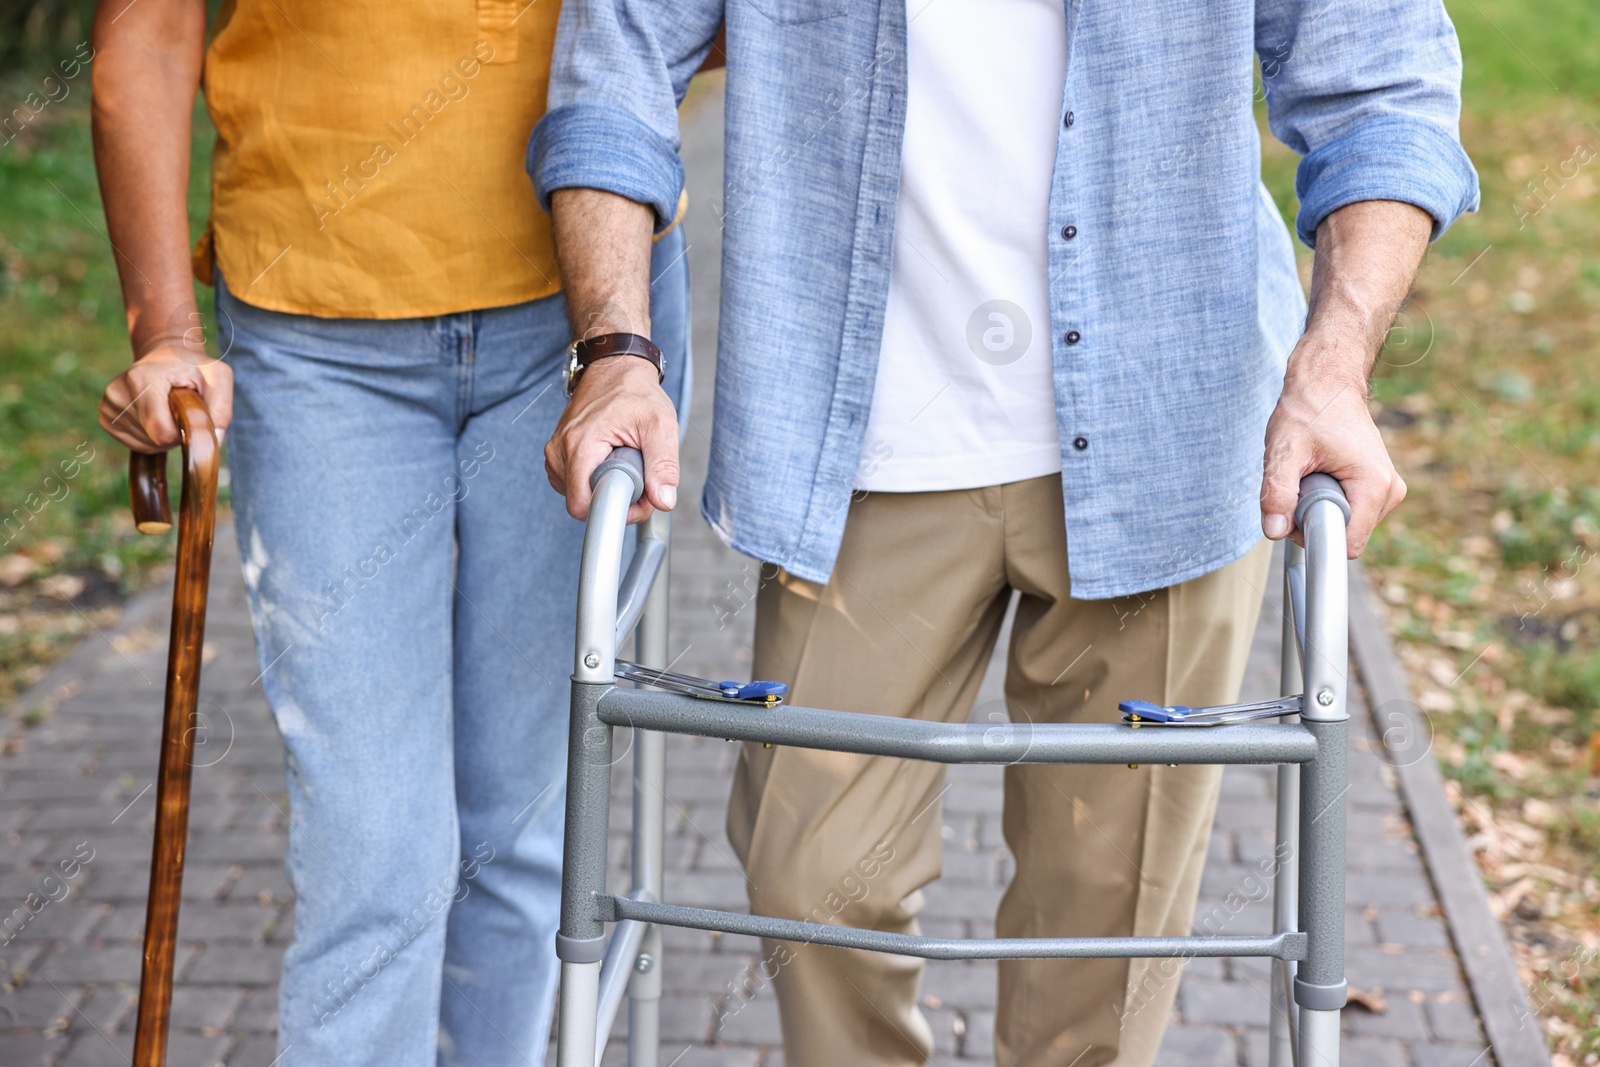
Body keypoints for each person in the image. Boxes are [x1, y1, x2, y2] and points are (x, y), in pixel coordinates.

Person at [531, 0, 1477, 1064]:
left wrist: (1333, 362)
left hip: (1159, 432)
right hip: (860, 452)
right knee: (807, 877)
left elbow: (1380, 78)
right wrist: (616, 349)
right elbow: (614, 63)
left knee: (1104, 935)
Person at [90, 2, 689, 1063]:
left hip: (585, 320)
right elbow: (149, 25)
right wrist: (167, 330)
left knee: (520, 833)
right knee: (377, 853)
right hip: (314, 314)